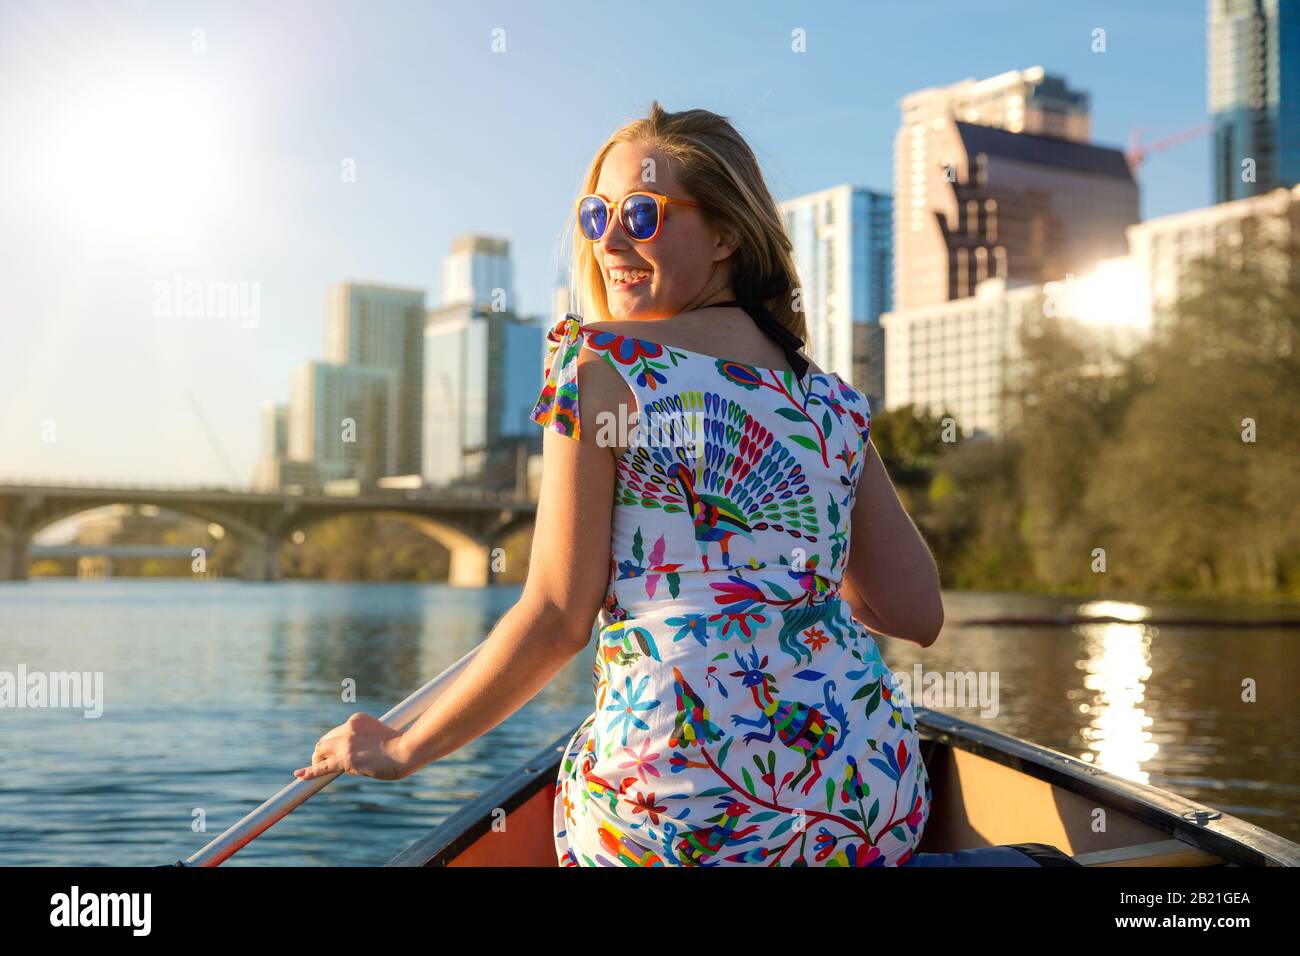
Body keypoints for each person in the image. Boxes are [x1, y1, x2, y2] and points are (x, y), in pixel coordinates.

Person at [295, 102, 945, 867]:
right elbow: (915, 612)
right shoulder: (830, 400)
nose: (608, 238)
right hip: (870, 800)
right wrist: (785, 583)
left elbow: (559, 618)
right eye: (596, 213)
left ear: (728, 233)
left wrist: (404, 746)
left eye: (642, 213)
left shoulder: (599, 370)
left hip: (685, 816)